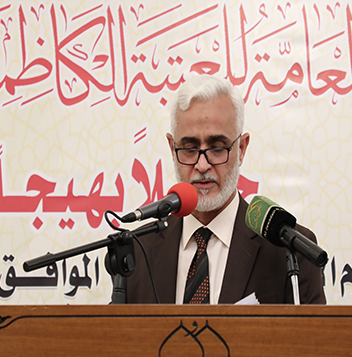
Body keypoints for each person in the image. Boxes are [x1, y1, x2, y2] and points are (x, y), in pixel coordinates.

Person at [124, 75, 326, 305]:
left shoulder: (289, 250)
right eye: (189, 149)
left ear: (241, 148)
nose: (202, 166)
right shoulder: (138, 250)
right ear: (172, 148)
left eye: (217, 148)